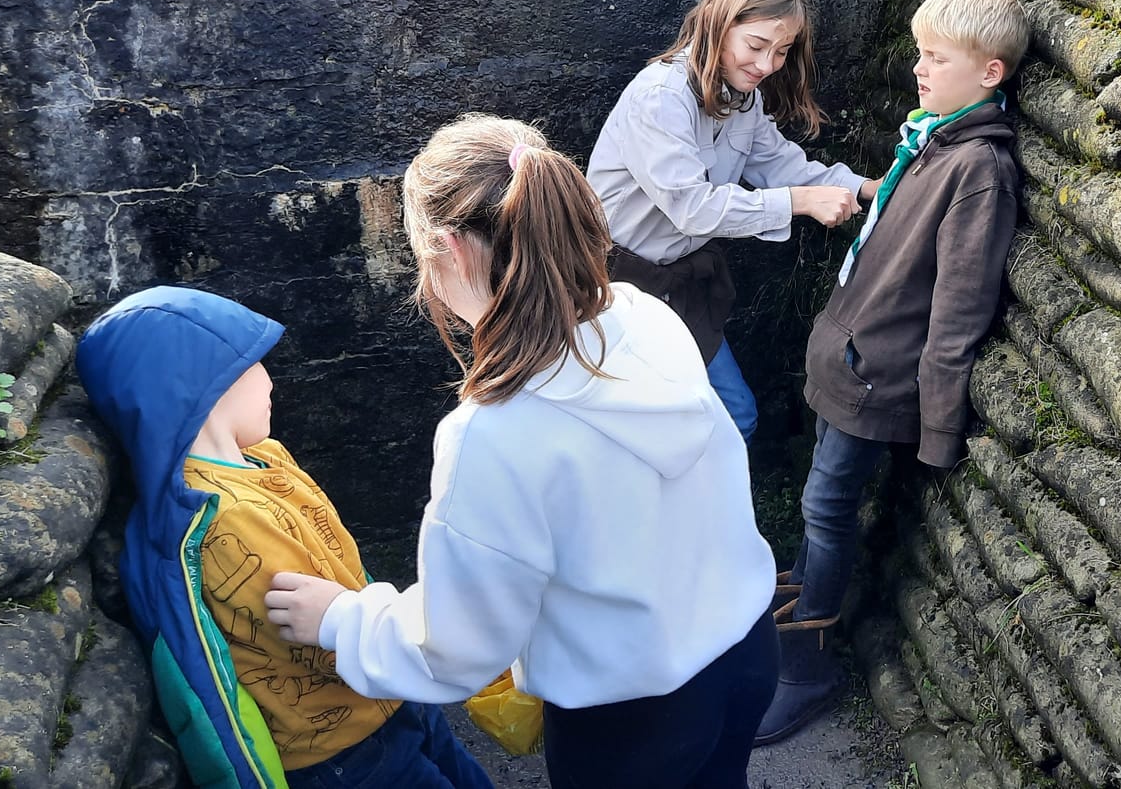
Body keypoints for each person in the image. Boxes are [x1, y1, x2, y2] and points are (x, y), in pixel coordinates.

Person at [263, 115, 780, 789]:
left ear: (449, 248)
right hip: (744, 650)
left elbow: (459, 644)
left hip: (631, 716)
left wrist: (341, 618)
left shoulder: (494, 432)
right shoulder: (645, 316)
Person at [77, 286, 494, 789]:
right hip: (345, 751)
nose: (271, 377)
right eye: (254, 363)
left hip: (385, 692)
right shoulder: (228, 520)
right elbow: (311, 635)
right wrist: (430, 645)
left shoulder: (261, 459)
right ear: (205, 387)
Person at [759, 0, 1028, 745]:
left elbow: (960, 305)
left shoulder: (977, 167)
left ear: (990, 73)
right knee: (820, 501)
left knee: (827, 505)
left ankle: (806, 669)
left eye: (936, 57)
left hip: (878, 376)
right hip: (849, 358)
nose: (919, 68)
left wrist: (938, 426)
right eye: (918, 53)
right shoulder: (932, 136)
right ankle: (789, 612)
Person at [586, 0, 876, 440]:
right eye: (757, 45)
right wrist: (800, 202)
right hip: (613, 289)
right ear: (719, 23)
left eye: (782, 51)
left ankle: (699, 513)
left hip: (677, 289)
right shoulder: (661, 96)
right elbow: (692, 208)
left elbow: (781, 165)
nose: (767, 65)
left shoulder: (742, 97)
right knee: (645, 432)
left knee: (734, 416)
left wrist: (865, 189)